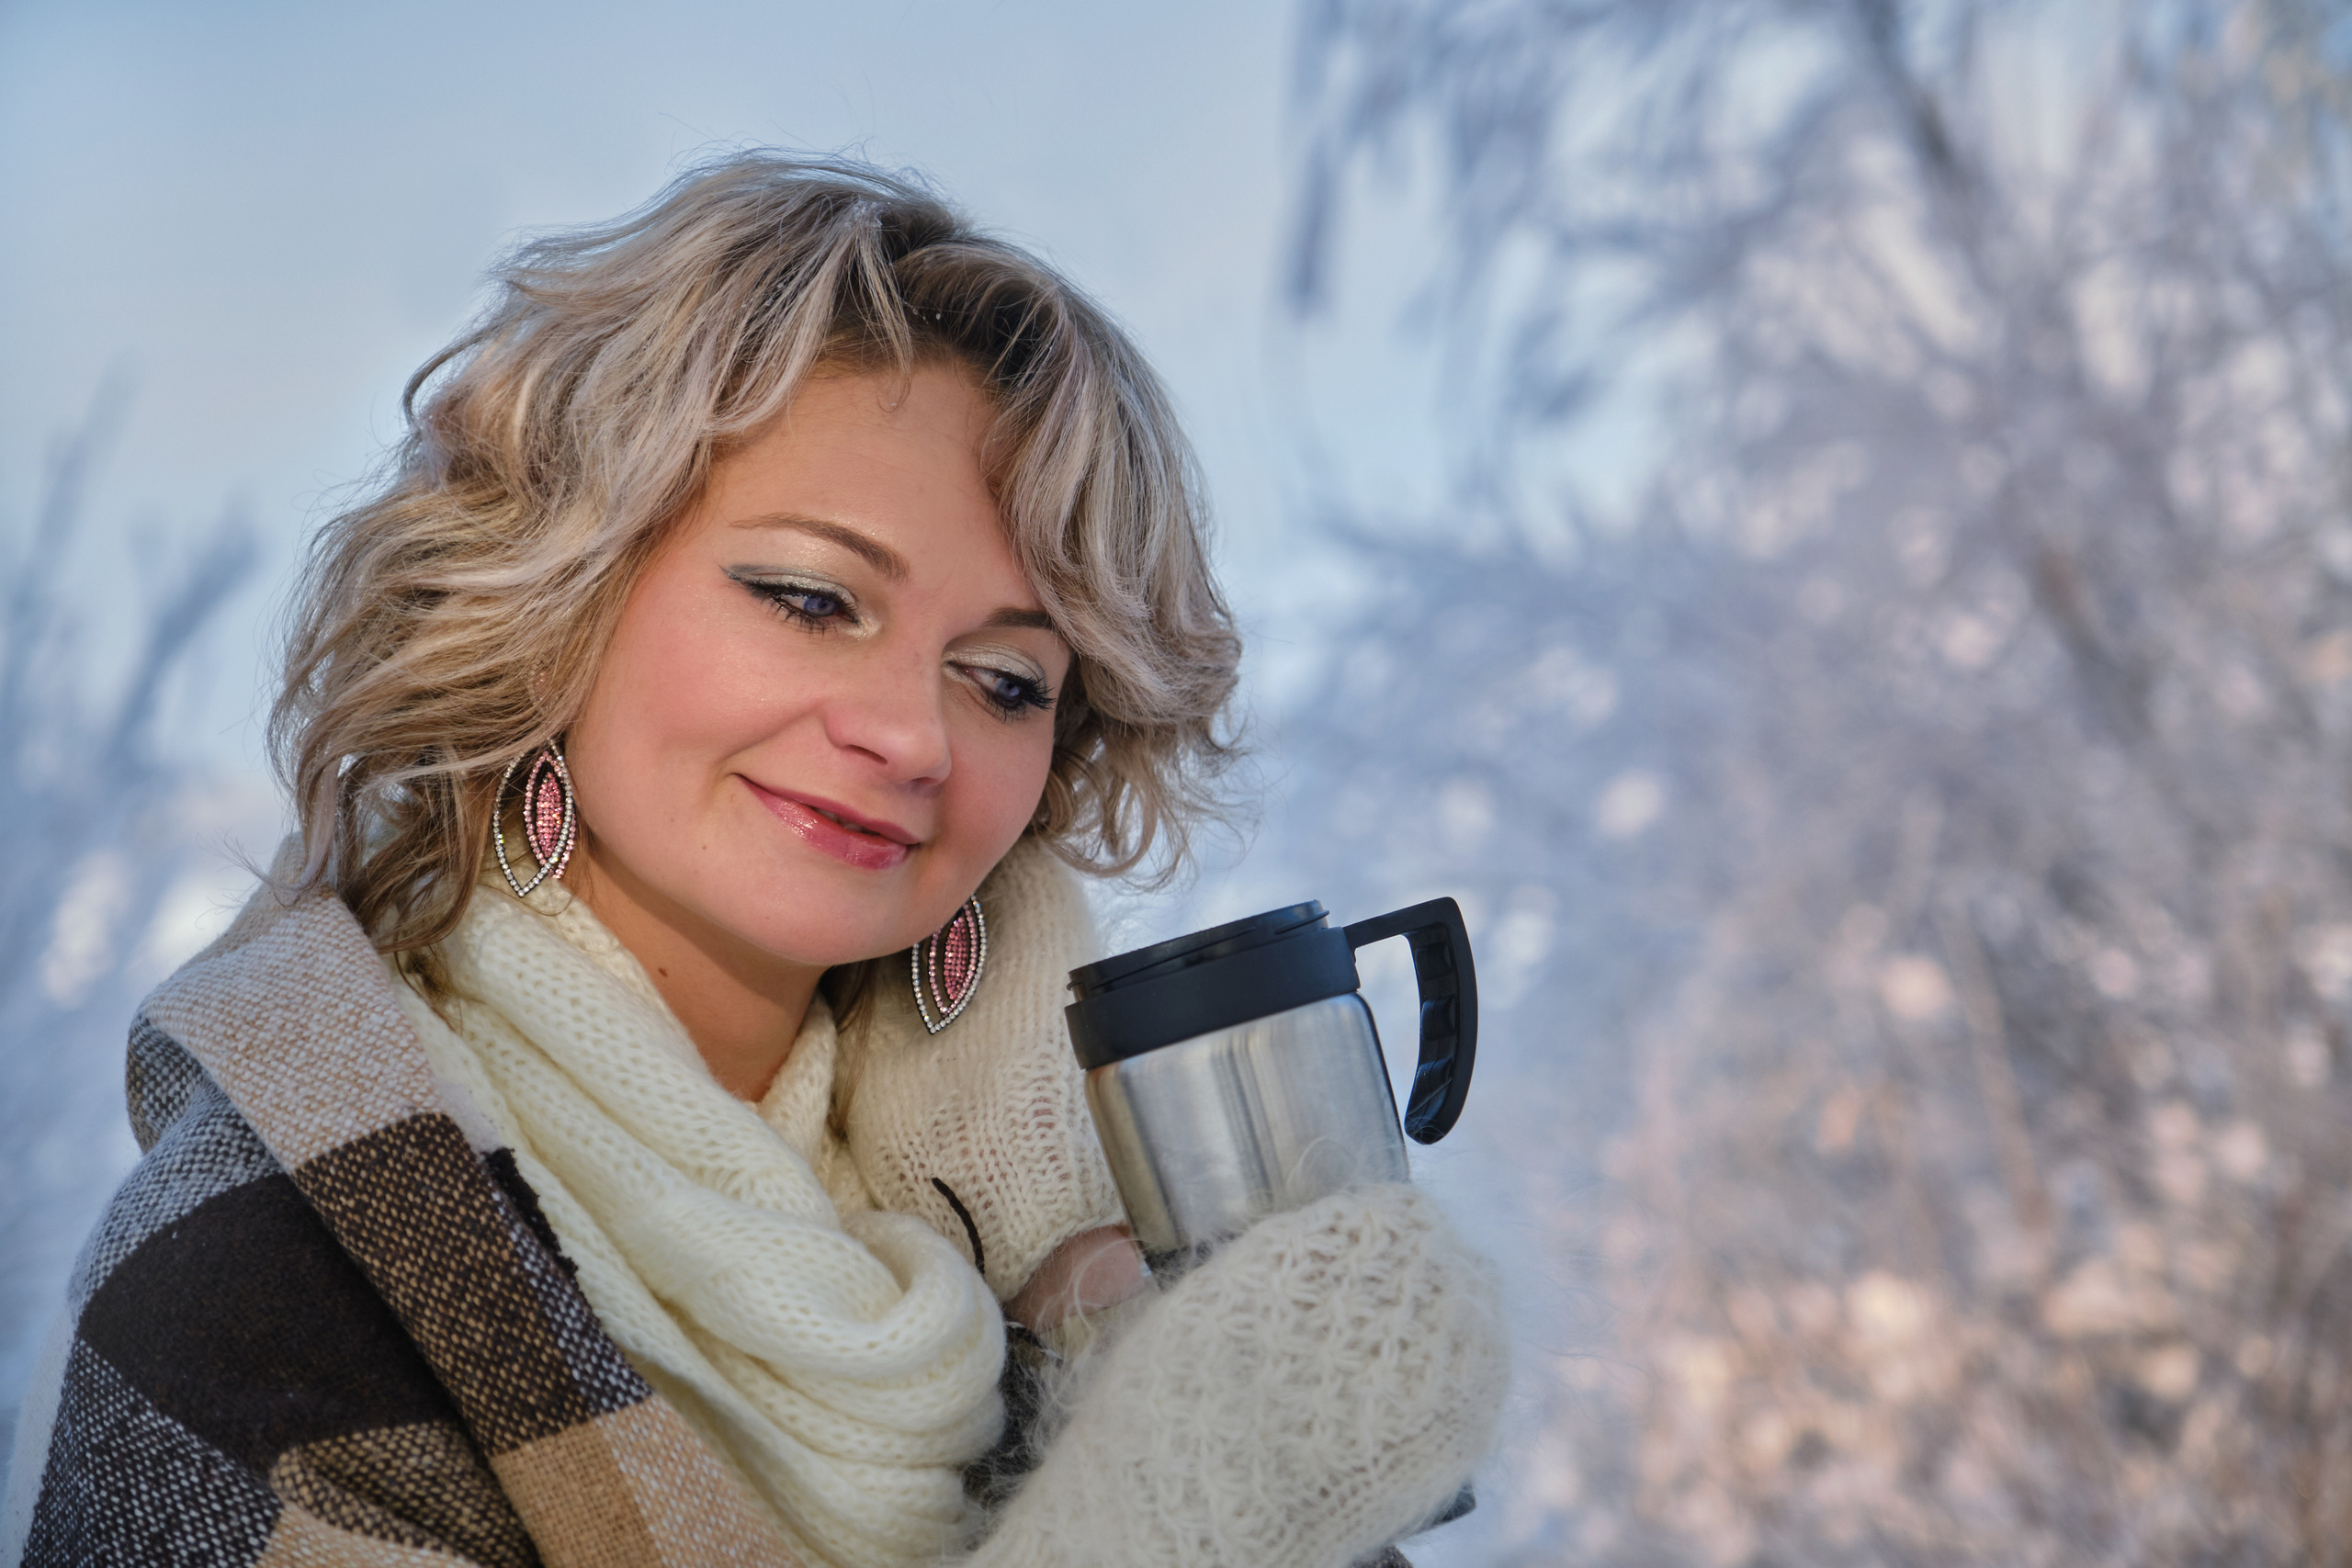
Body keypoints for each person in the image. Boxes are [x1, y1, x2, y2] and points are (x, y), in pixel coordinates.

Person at [1, 152, 1508, 1568]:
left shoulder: (1037, 1233)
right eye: (809, 598)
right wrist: (1176, 1511)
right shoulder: (254, 1286)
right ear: (563, 592)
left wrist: (1109, 1337)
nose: (911, 736)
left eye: (1004, 680)